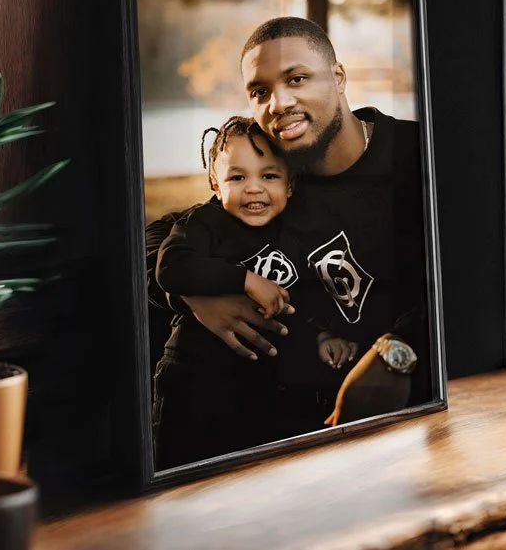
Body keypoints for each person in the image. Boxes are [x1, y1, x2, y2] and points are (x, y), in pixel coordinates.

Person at [176, 17, 433, 427]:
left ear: (338, 78)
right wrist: (198, 295)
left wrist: (397, 353)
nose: (278, 104)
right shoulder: (277, 182)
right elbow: (168, 234)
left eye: (296, 79)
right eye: (260, 91)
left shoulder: (418, 155)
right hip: (304, 414)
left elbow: (474, 275)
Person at [150, 115, 356, 469]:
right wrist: (244, 279)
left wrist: (322, 336)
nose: (254, 188)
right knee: (186, 474)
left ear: (290, 185)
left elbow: (302, 300)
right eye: (237, 177)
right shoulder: (203, 223)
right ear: (216, 183)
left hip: (263, 387)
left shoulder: (294, 233)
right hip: (196, 378)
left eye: (269, 176)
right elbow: (171, 268)